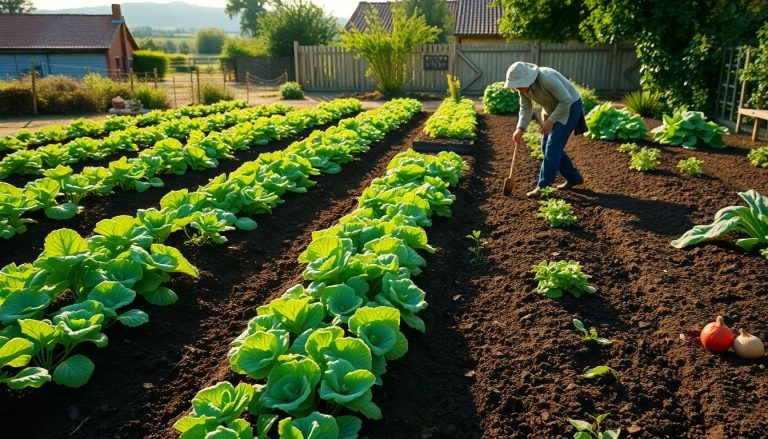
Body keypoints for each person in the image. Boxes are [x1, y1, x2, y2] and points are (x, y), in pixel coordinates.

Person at [506, 62, 587, 197]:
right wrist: (520, 128)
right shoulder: (523, 88)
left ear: (528, 78)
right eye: (516, 86)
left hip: (570, 107)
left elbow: (566, 100)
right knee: (546, 147)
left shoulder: (547, 77)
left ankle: (543, 187)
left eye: (520, 85)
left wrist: (551, 120)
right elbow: (525, 107)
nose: (518, 89)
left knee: (553, 145)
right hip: (551, 110)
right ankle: (573, 178)